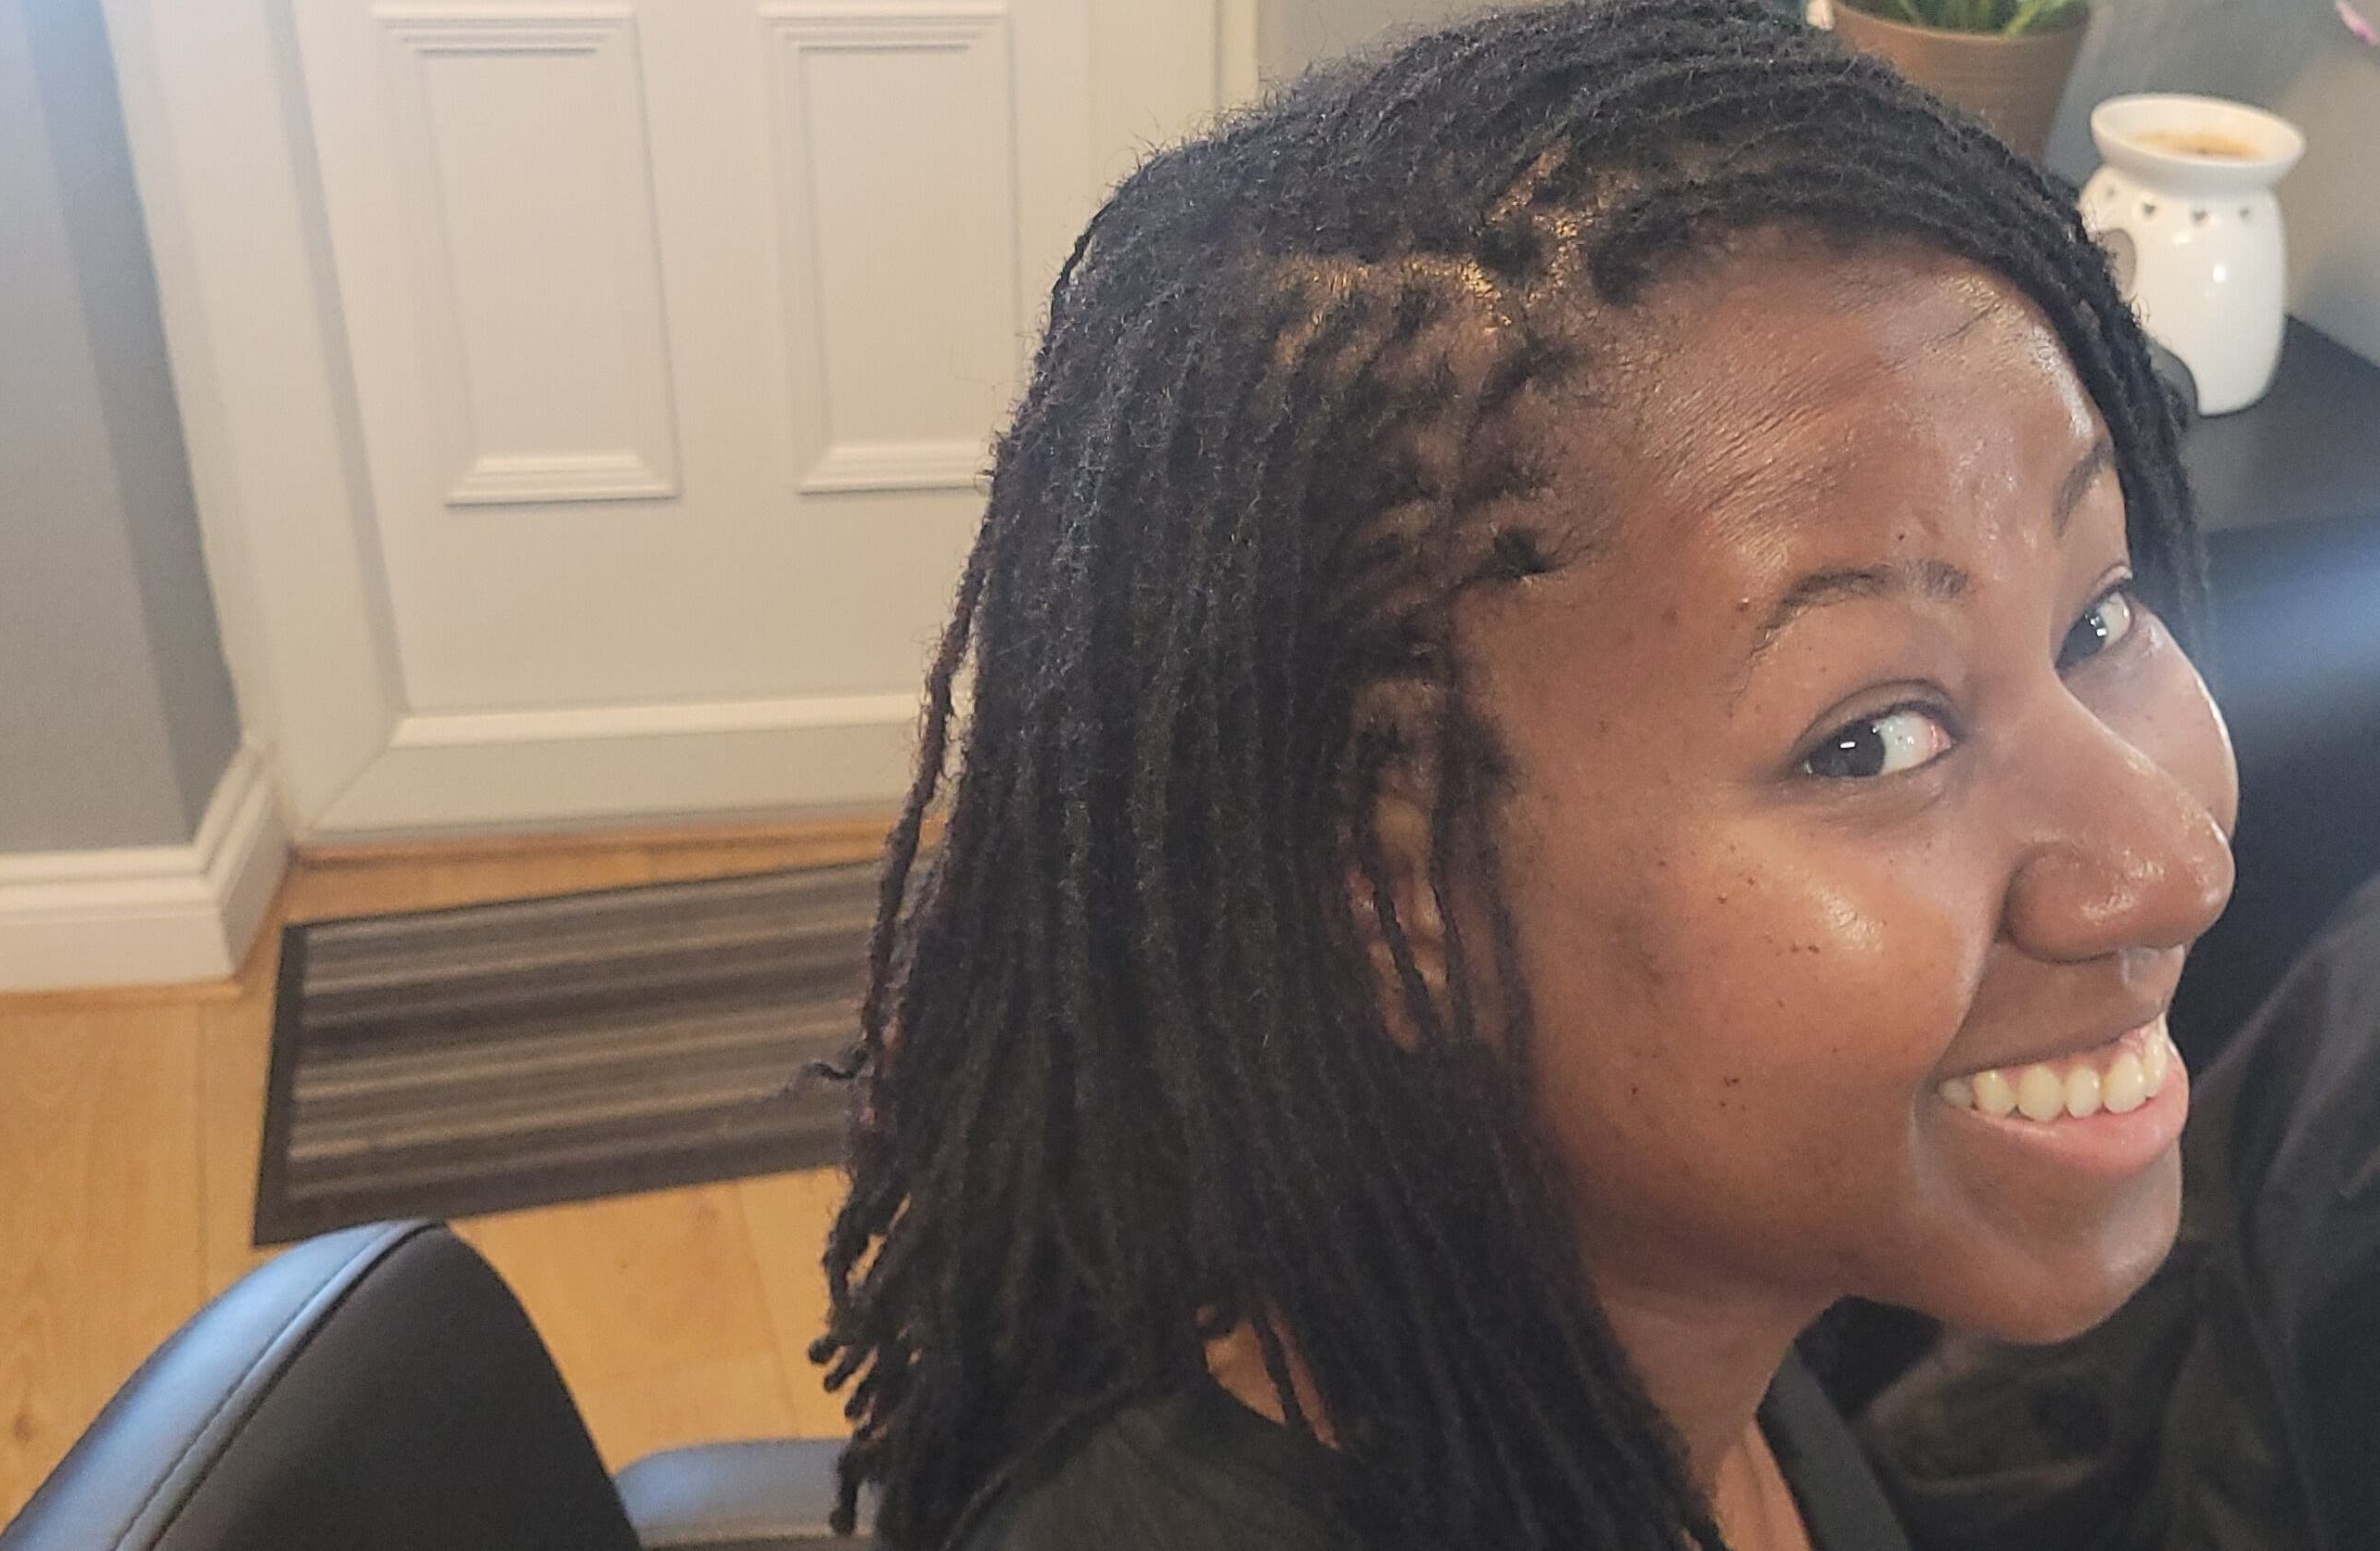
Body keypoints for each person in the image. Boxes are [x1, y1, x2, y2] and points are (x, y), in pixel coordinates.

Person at [811, 3, 2240, 1547]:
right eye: (1873, 740)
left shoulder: (1652, 1331)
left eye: (2100, 618)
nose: (2172, 864)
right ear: (1393, 892)